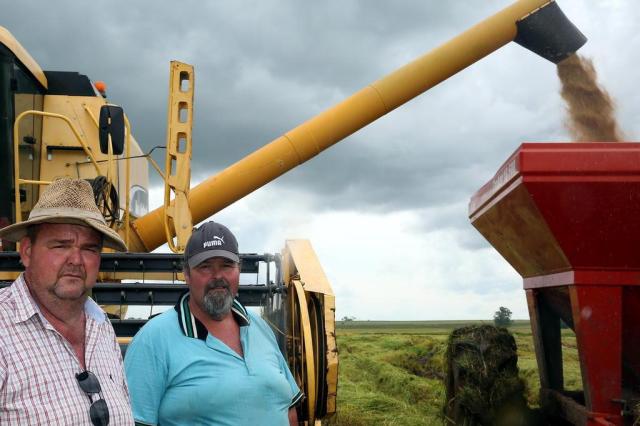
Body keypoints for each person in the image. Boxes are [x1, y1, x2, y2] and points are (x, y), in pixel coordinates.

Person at [125, 221, 303, 426]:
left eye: (227, 265)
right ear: (187, 274)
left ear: (239, 269)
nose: (218, 276)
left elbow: (287, 408)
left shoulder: (259, 327)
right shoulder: (152, 340)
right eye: (205, 267)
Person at [0, 177, 134, 425]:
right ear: (27, 252)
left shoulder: (101, 325)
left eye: (89, 249)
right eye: (61, 245)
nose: (76, 260)